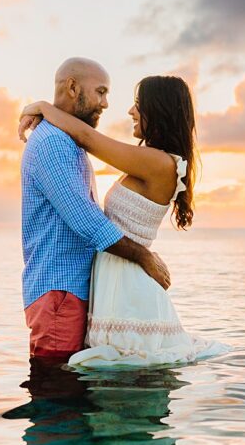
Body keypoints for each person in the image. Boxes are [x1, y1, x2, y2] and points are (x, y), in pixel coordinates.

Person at [19, 71, 228, 367]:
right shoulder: (153, 161)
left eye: (138, 105)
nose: (129, 111)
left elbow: (87, 137)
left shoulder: (158, 163)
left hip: (127, 283)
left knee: (124, 379)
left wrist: (42, 107)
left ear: (158, 111)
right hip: (116, 277)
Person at [20, 58, 171, 364]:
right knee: (57, 395)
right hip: (61, 292)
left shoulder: (67, 141)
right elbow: (84, 219)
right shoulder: (53, 143)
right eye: (101, 92)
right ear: (73, 87)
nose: (105, 103)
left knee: (70, 391)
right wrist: (144, 257)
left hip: (71, 291)